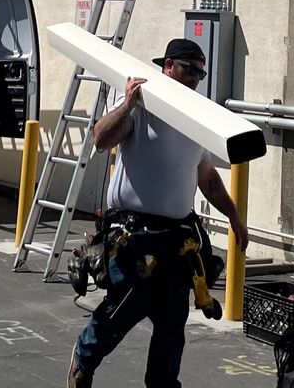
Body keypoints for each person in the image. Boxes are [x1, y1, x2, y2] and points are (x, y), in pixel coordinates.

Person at [67, 37, 249, 388]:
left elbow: (207, 179)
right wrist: (128, 105)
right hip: (133, 234)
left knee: (171, 321)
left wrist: (234, 217)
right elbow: (101, 139)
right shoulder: (141, 103)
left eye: (200, 72)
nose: (195, 78)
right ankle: (83, 360)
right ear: (168, 66)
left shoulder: (195, 117)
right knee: (124, 307)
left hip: (175, 239)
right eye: (189, 70)